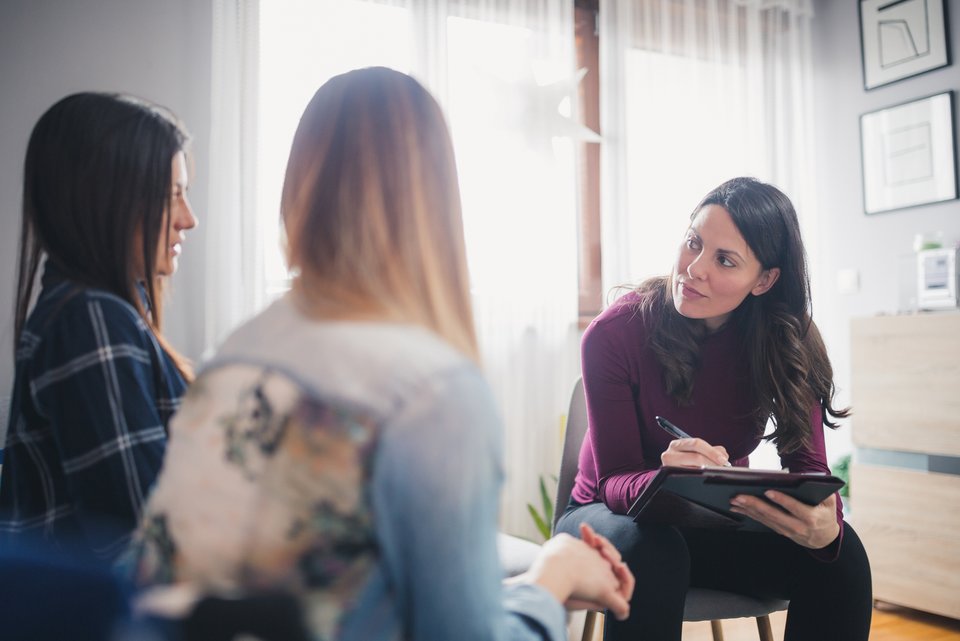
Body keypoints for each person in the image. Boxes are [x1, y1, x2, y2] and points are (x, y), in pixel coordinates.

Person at [122, 67, 634, 641]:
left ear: (298, 188)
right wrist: (553, 577)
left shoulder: (233, 354)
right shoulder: (431, 388)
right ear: (437, 200)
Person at [556, 177, 873, 641]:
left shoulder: (788, 341)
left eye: (724, 260)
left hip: (706, 526)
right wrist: (666, 479)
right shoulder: (616, 333)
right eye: (693, 243)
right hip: (601, 521)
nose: (693, 269)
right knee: (655, 549)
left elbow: (809, 470)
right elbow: (614, 483)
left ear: (764, 280)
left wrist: (826, 523)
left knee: (842, 556)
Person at [0, 92, 197, 562]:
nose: (188, 219)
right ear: (107, 203)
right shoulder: (90, 321)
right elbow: (138, 541)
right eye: (172, 197)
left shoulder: (97, 311)